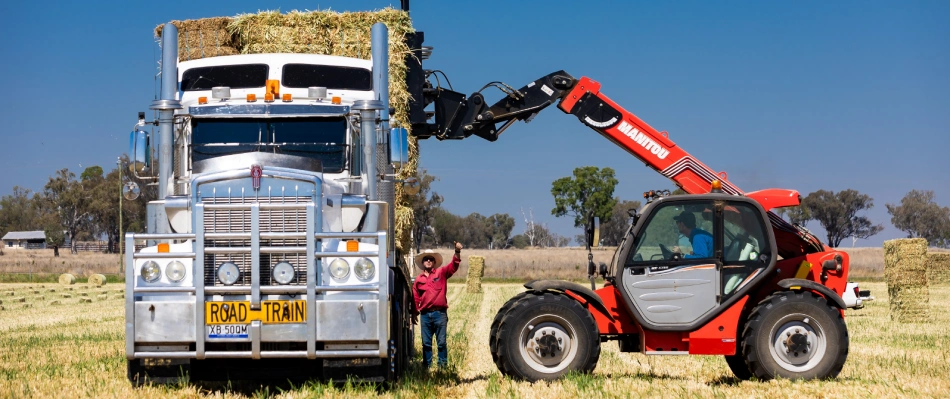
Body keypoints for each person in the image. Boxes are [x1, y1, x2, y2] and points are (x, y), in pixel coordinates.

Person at [411, 241, 463, 368]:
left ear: (434, 262)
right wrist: (414, 313)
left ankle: (442, 366)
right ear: (423, 263)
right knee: (426, 344)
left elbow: (453, 266)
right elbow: (415, 297)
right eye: (426, 259)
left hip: (440, 314)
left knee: (441, 343)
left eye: (431, 259)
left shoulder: (441, 273)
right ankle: (427, 366)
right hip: (425, 315)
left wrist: (457, 252)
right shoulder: (419, 279)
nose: (428, 261)